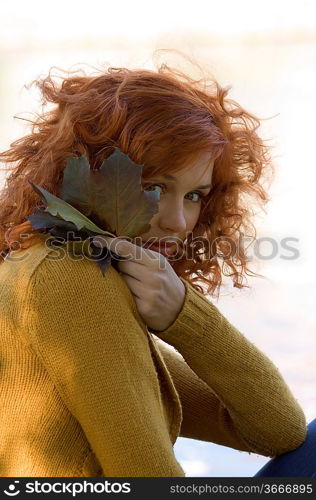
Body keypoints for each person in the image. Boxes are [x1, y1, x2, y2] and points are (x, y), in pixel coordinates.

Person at [0, 59, 313, 477]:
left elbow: (278, 430)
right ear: (88, 175)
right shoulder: (68, 275)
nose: (178, 222)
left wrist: (184, 315)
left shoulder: (78, 272)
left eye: (195, 195)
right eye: (155, 187)